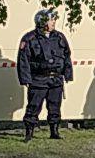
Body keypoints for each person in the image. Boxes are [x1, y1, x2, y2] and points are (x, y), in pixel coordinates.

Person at [18, 8, 73, 141]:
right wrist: (25, 79)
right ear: (42, 22)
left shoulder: (59, 37)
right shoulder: (29, 38)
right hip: (38, 79)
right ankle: (29, 133)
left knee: (55, 106)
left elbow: (67, 55)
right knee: (33, 107)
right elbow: (23, 60)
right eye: (51, 20)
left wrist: (68, 73)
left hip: (56, 80)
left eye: (54, 20)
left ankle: (54, 131)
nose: (53, 22)